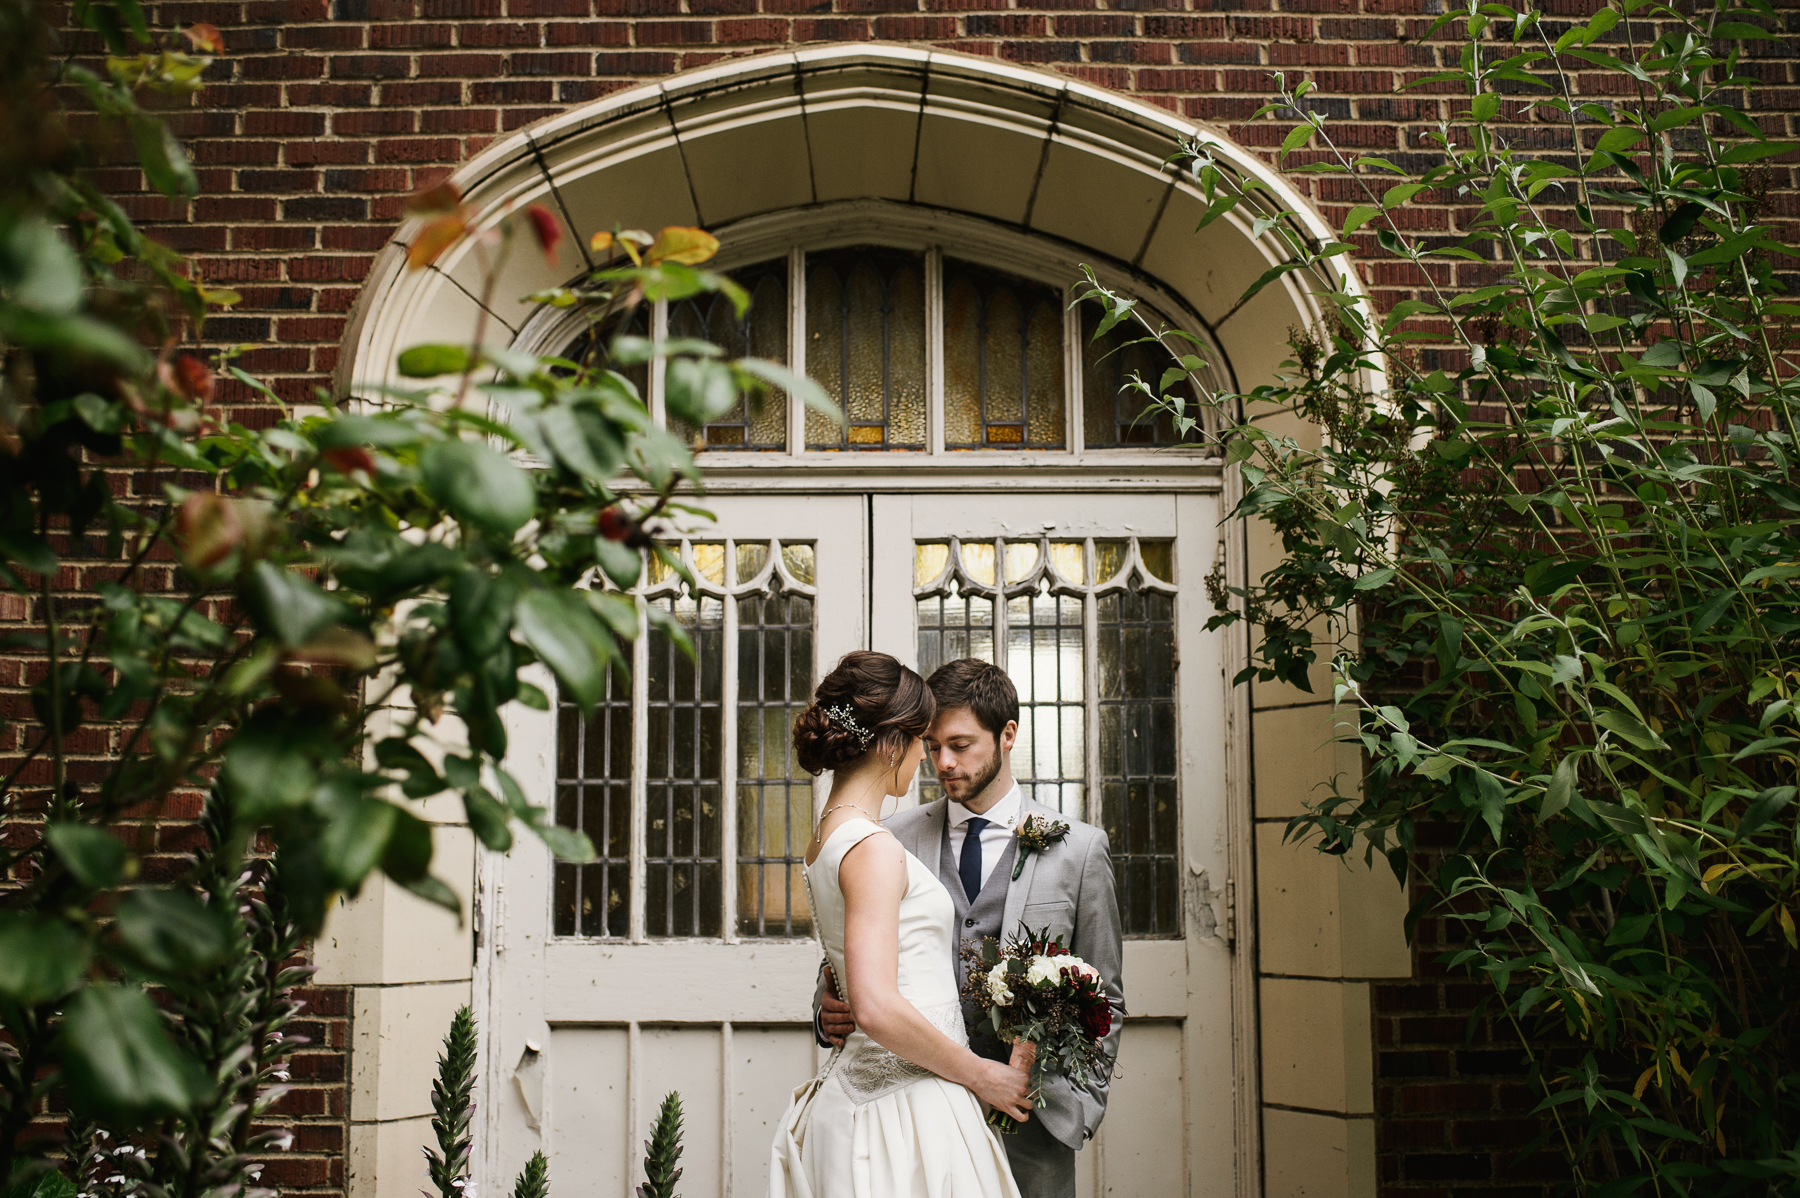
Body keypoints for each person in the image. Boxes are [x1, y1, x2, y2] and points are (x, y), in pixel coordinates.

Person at [814, 658, 1124, 1198]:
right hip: (916, 1109)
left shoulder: (1079, 850)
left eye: (960, 744)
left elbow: (1106, 998)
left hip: (1033, 1118)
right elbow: (854, 965)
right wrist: (828, 1007)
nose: (943, 761)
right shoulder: (888, 837)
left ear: (1007, 735)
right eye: (932, 746)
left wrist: (1075, 1108)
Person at [769, 650, 1029, 1198]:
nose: (927, 758)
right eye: (920, 741)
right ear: (891, 744)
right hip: (903, 1109)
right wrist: (979, 1073)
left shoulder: (831, 836)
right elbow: (876, 1004)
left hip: (876, 1090)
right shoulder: (872, 846)